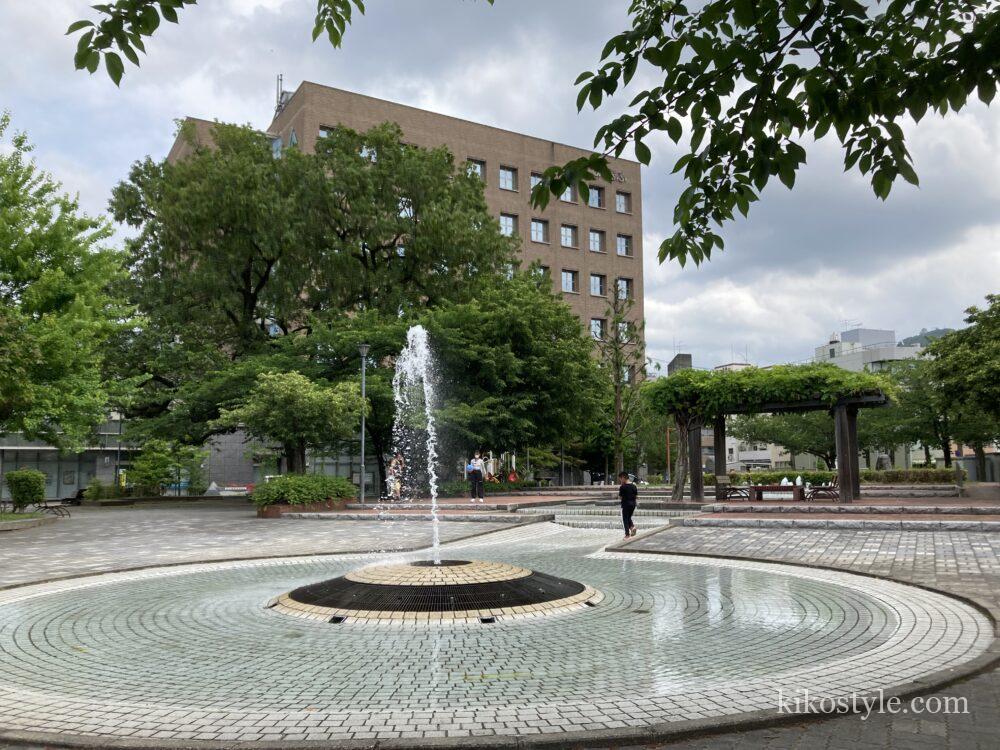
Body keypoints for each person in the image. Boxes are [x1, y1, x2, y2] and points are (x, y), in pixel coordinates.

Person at [618, 471, 638, 539]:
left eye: (620, 479)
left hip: (625, 505)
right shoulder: (634, 486)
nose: (620, 480)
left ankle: (627, 535)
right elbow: (636, 496)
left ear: (623, 477)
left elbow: (620, 497)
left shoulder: (622, 487)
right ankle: (632, 527)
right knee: (628, 517)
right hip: (633, 504)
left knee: (625, 519)